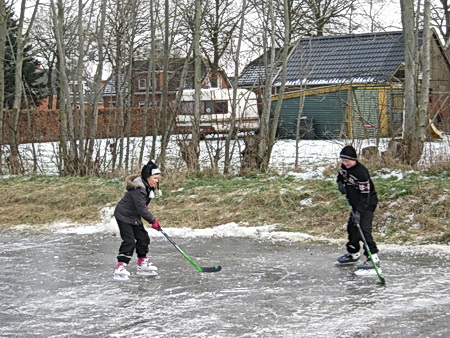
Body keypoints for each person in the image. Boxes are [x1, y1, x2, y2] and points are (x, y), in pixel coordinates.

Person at [113, 160, 162, 280]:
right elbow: (141, 209)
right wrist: (153, 221)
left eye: (157, 178)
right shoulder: (139, 189)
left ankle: (142, 265)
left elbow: (141, 208)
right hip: (124, 215)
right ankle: (120, 267)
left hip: (133, 216)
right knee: (129, 241)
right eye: (155, 178)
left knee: (143, 238)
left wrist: (152, 220)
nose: (157, 181)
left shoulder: (148, 186)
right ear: (147, 177)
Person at [335, 145, 380, 270]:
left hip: (367, 203)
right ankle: (353, 253)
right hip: (354, 203)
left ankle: (373, 257)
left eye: (347, 161)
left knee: (363, 230)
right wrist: (340, 184)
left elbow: (365, 196)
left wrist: (359, 212)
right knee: (352, 228)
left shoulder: (361, 172)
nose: (345, 163)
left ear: (354, 159)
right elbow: (340, 177)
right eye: (343, 161)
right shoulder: (344, 167)